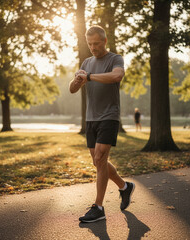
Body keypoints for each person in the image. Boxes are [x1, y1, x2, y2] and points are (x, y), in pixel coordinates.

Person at [69, 25, 135, 223]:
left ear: (105, 41)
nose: (93, 47)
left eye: (96, 43)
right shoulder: (86, 62)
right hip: (91, 118)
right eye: (89, 44)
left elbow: (116, 76)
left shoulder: (115, 59)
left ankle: (98, 207)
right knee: (98, 162)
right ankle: (125, 187)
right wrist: (77, 80)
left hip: (109, 116)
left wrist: (89, 77)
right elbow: (73, 89)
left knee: (100, 156)